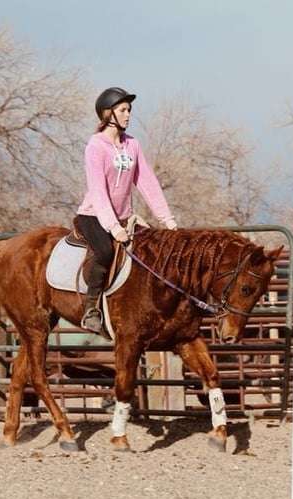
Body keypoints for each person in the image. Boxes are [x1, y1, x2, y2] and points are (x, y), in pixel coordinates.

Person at [76, 87, 178, 336]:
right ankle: (92, 310)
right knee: (104, 251)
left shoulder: (132, 144)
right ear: (107, 114)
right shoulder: (95, 146)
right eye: (122, 110)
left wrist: (168, 221)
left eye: (129, 110)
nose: (128, 115)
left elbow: (148, 183)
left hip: (124, 218)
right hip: (94, 216)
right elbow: (98, 191)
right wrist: (113, 228)